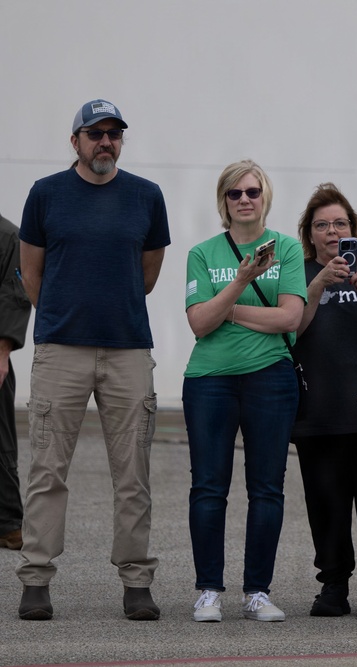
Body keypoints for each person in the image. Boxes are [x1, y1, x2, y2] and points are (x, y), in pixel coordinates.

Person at [16, 99, 169, 621]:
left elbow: (147, 275)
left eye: (114, 133)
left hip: (127, 348)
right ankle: (36, 578)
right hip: (61, 349)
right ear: (75, 140)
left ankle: (136, 581)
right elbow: (30, 273)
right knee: (47, 468)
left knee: (133, 473)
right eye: (95, 133)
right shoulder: (46, 195)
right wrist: (62, 315)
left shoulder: (147, 197)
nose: (106, 141)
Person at [182, 159, 306, 623]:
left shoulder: (287, 250)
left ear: (265, 197)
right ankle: (208, 590)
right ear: (224, 202)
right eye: (235, 194)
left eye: (253, 191)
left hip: (271, 378)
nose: (245, 200)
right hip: (209, 381)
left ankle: (257, 591)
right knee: (209, 488)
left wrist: (228, 311)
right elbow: (197, 323)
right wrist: (241, 282)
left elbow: (289, 318)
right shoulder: (202, 253)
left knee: (267, 489)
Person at [291, 183, 357, 618]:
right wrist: (317, 285)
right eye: (322, 225)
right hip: (318, 412)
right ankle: (333, 586)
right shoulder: (295, 275)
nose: (332, 231)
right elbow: (289, 334)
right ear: (310, 233)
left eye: (340, 223)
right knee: (326, 507)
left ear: (353, 229)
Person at [1, 213, 32, 551]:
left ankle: (7, 522)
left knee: (1, 440)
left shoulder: (8, 236)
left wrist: (2, 352)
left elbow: (16, 294)